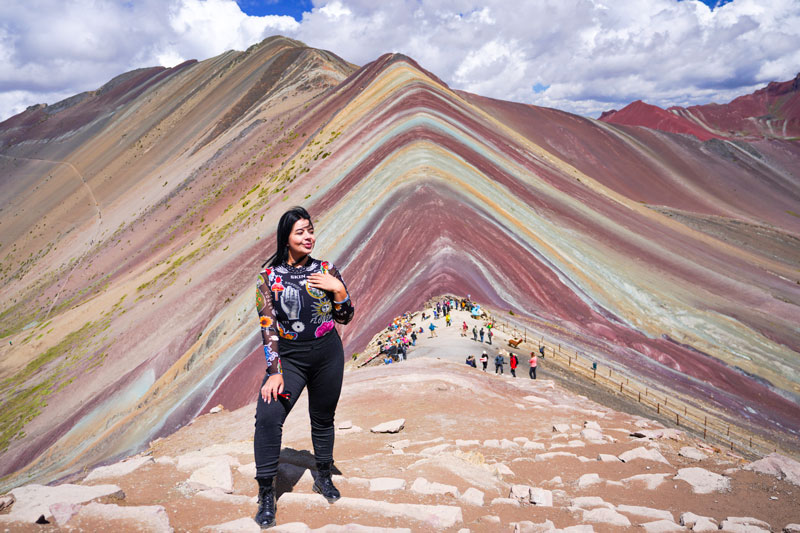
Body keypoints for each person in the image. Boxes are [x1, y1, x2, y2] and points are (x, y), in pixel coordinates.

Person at [254, 207, 354, 528]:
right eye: (300, 232)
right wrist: (274, 372)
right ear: (286, 238)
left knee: (323, 418)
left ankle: (323, 476)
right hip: (291, 360)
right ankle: (266, 493)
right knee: (269, 415)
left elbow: (344, 317)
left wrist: (338, 289)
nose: (308, 236)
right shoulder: (268, 278)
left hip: (328, 355)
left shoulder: (326, 269)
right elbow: (268, 326)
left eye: (310, 230)